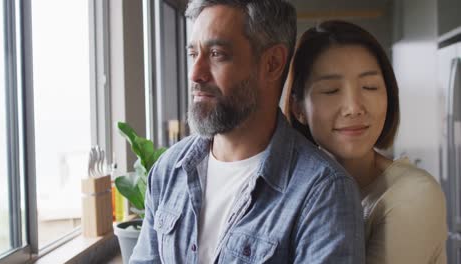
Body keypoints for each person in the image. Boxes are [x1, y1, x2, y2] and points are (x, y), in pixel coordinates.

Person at [130, 2, 365, 263]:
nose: (195, 73)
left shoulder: (322, 193)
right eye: (193, 54)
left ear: (272, 64)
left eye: (217, 54)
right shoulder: (168, 171)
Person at [284, 20, 447, 263]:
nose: (353, 108)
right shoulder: (295, 189)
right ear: (299, 109)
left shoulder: (411, 194)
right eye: (331, 90)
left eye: (370, 87)